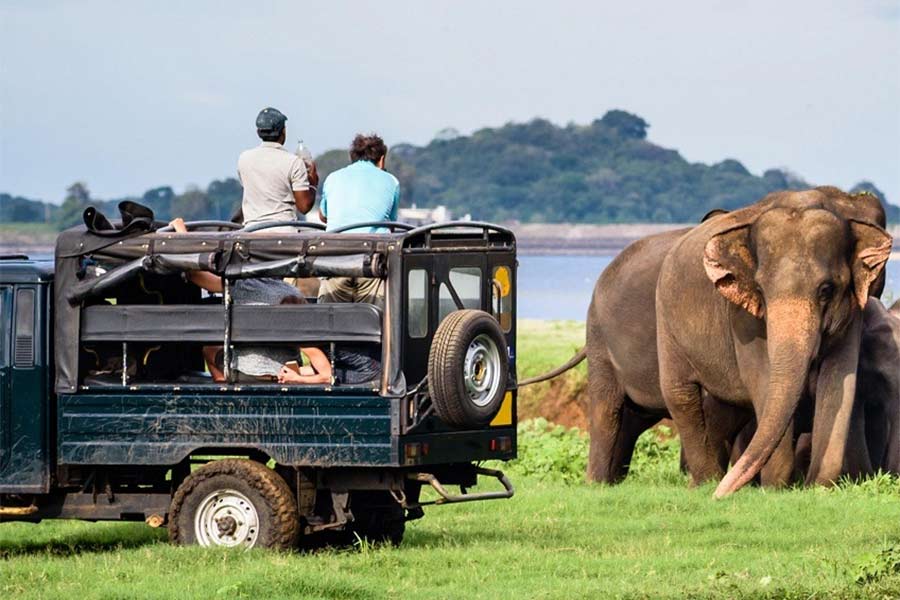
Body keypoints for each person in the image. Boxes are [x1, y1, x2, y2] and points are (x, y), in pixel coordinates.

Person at [169, 218, 331, 384]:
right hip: (286, 372)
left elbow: (195, 274)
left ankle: (223, 383)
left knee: (209, 350)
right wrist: (298, 377)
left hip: (247, 373)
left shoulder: (242, 285)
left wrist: (182, 232)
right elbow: (322, 367)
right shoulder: (292, 292)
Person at [317, 134, 399, 308]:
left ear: (352, 157)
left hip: (334, 258)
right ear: (382, 159)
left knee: (330, 322)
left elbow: (323, 215)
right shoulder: (391, 181)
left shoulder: (333, 177)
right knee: (373, 323)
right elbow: (390, 223)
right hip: (371, 260)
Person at [238, 107, 319, 231]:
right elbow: (304, 207)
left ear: (258, 132)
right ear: (283, 132)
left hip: (252, 232)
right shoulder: (294, 162)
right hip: (284, 234)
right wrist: (313, 184)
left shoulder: (244, 159)